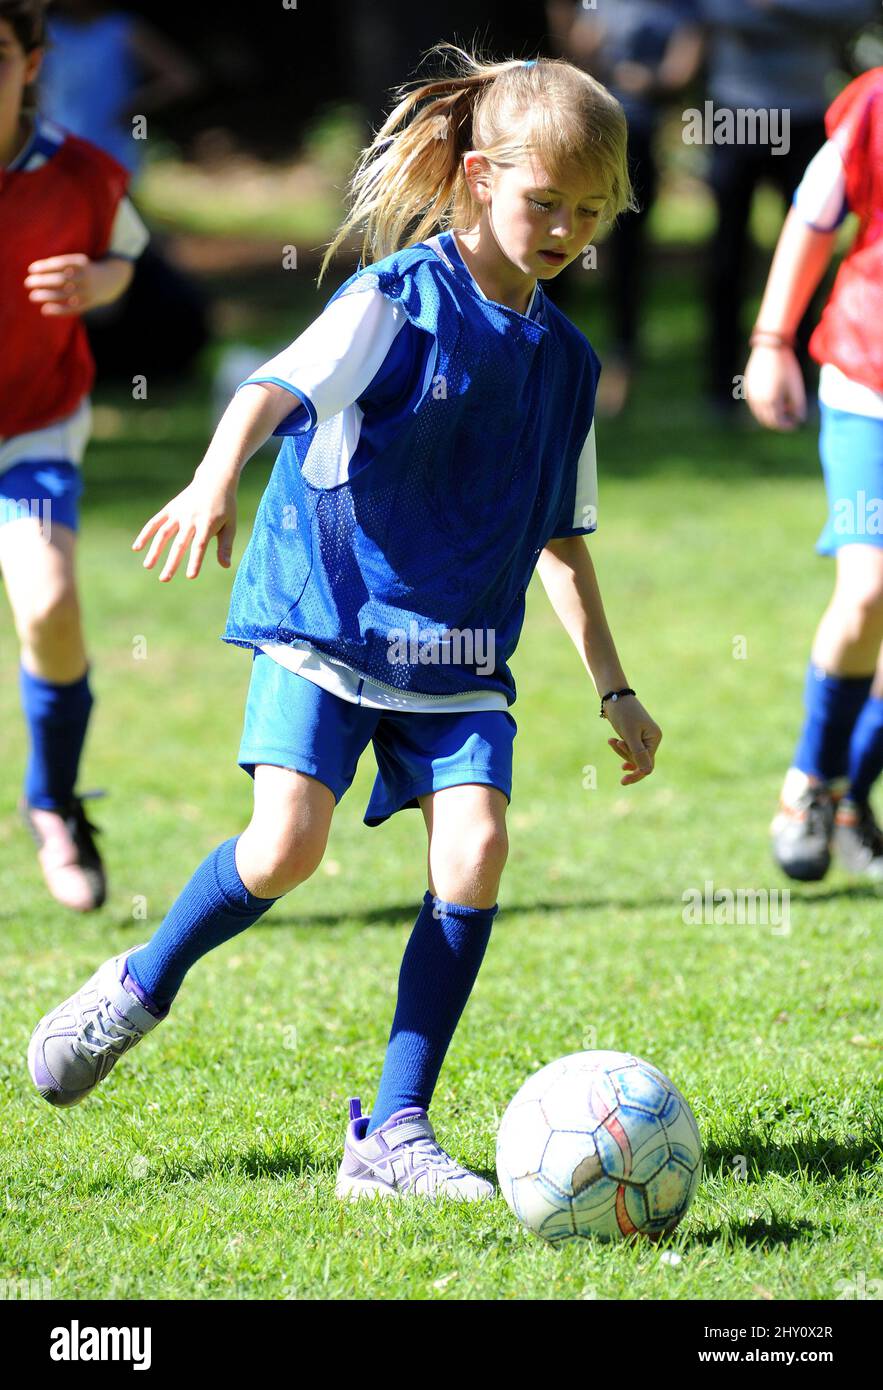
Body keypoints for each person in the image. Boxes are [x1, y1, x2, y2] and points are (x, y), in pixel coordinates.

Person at [28, 47, 662, 1201]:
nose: (566, 228)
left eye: (588, 211)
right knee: (285, 848)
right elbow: (268, 390)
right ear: (477, 179)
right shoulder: (394, 299)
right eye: (543, 202)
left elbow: (560, 537)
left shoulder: (567, 365)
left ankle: (392, 1135)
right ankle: (138, 984)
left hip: (461, 650)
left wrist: (614, 688)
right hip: (327, 622)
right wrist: (215, 476)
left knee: (475, 851)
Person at [0, 0, 149, 911]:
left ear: (29, 63)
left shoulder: (84, 171)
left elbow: (126, 257)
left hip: (34, 428)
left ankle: (53, 800)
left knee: (49, 604)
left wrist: (97, 281)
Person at [744, 67, 883, 881]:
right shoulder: (873, 105)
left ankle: (844, 793)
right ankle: (809, 785)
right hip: (868, 381)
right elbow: (811, 218)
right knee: (866, 591)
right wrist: (770, 342)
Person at [699, 0, 878, 414]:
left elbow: (855, 12)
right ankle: (723, 384)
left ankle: (799, 375)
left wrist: (776, 5)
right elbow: (714, 12)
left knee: (811, 253)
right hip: (735, 112)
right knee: (727, 253)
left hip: (805, 112)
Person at [547, 0, 702, 416]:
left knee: (629, 257)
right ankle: (543, 352)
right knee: (553, 246)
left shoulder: (681, 8)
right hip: (575, 135)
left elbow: (678, 74)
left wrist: (635, 77)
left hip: (635, 139)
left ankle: (621, 368)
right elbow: (575, 52)